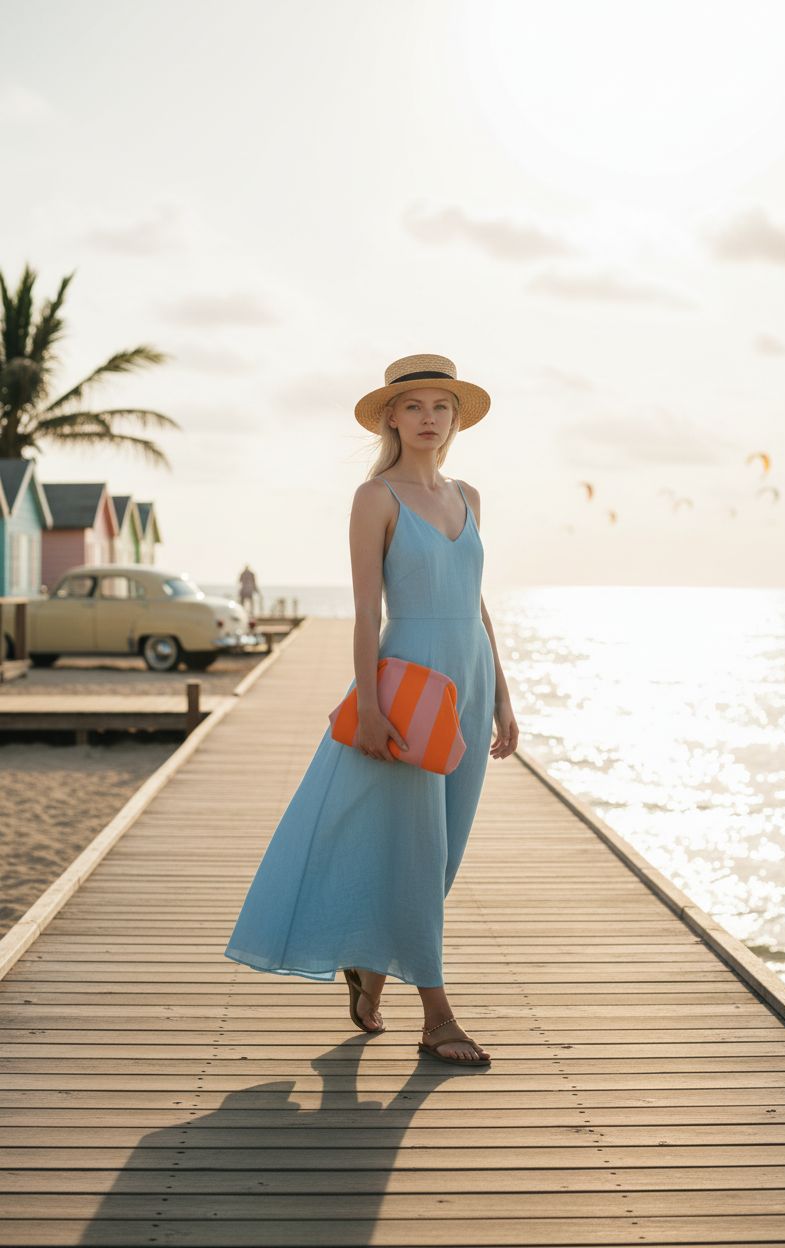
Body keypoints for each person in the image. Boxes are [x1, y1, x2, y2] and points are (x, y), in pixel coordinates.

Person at [224, 353, 519, 1065]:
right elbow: (365, 611)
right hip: (409, 683)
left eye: (440, 407)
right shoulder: (375, 498)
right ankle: (439, 1017)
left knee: (441, 855)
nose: (427, 419)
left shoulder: (469, 496)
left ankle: (370, 970)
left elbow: (475, 601)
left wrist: (505, 696)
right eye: (413, 406)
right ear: (391, 416)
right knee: (417, 852)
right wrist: (372, 703)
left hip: (470, 684)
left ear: (454, 418)